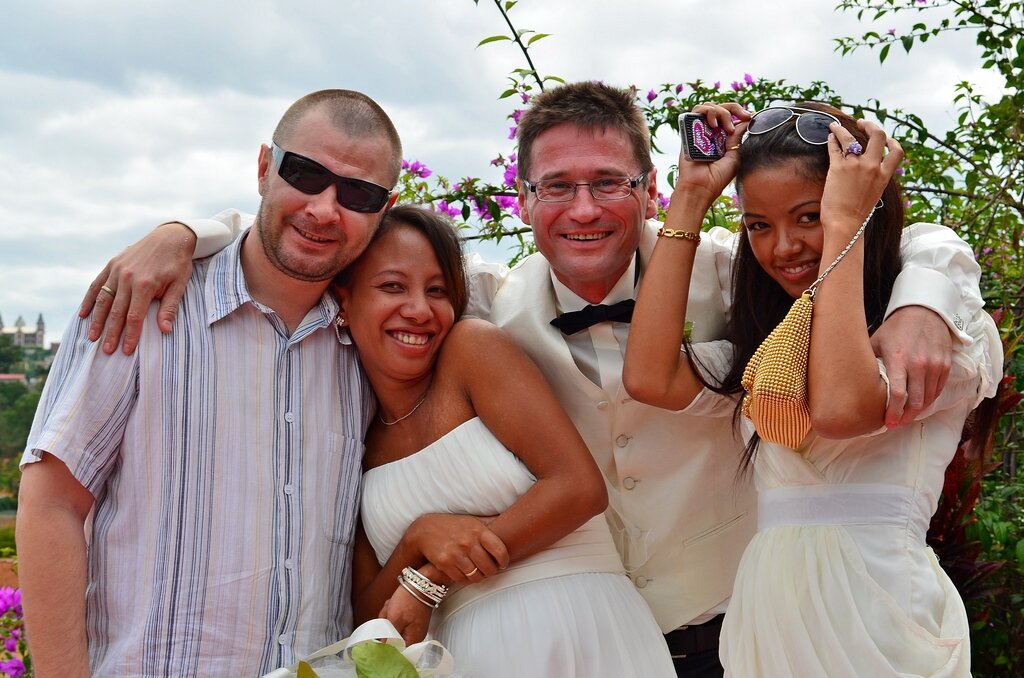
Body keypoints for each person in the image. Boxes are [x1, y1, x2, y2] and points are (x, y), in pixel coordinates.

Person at [77, 81, 986, 677]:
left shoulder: (734, 277)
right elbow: (352, 243)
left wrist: (926, 293)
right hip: (598, 637)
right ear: (522, 202)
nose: (583, 209)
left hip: (740, 622)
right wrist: (193, 233)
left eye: (608, 183)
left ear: (649, 190)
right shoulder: (484, 307)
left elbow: (883, 239)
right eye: (556, 187)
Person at [16, 89, 403, 677]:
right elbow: (52, 502)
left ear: (384, 208)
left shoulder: (377, 341)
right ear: (264, 167)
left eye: (358, 194)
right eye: (305, 174)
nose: (325, 209)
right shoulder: (143, 304)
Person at [623, 102, 1001, 676]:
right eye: (759, 225)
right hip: (768, 620)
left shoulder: (933, 333)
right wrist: (693, 196)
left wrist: (845, 226)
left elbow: (841, 410)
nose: (783, 248)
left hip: (878, 617)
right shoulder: (771, 356)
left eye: (809, 216)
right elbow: (649, 377)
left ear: (861, 204)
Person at [338, 204, 675, 676]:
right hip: (465, 658)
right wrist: (417, 540)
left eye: (437, 290)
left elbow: (579, 488)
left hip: (575, 626)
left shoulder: (471, 349)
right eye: (392, 286)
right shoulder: (352, 433)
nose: (419, 310)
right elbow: (368, 617)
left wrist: (429, 577)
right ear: (343, 301)